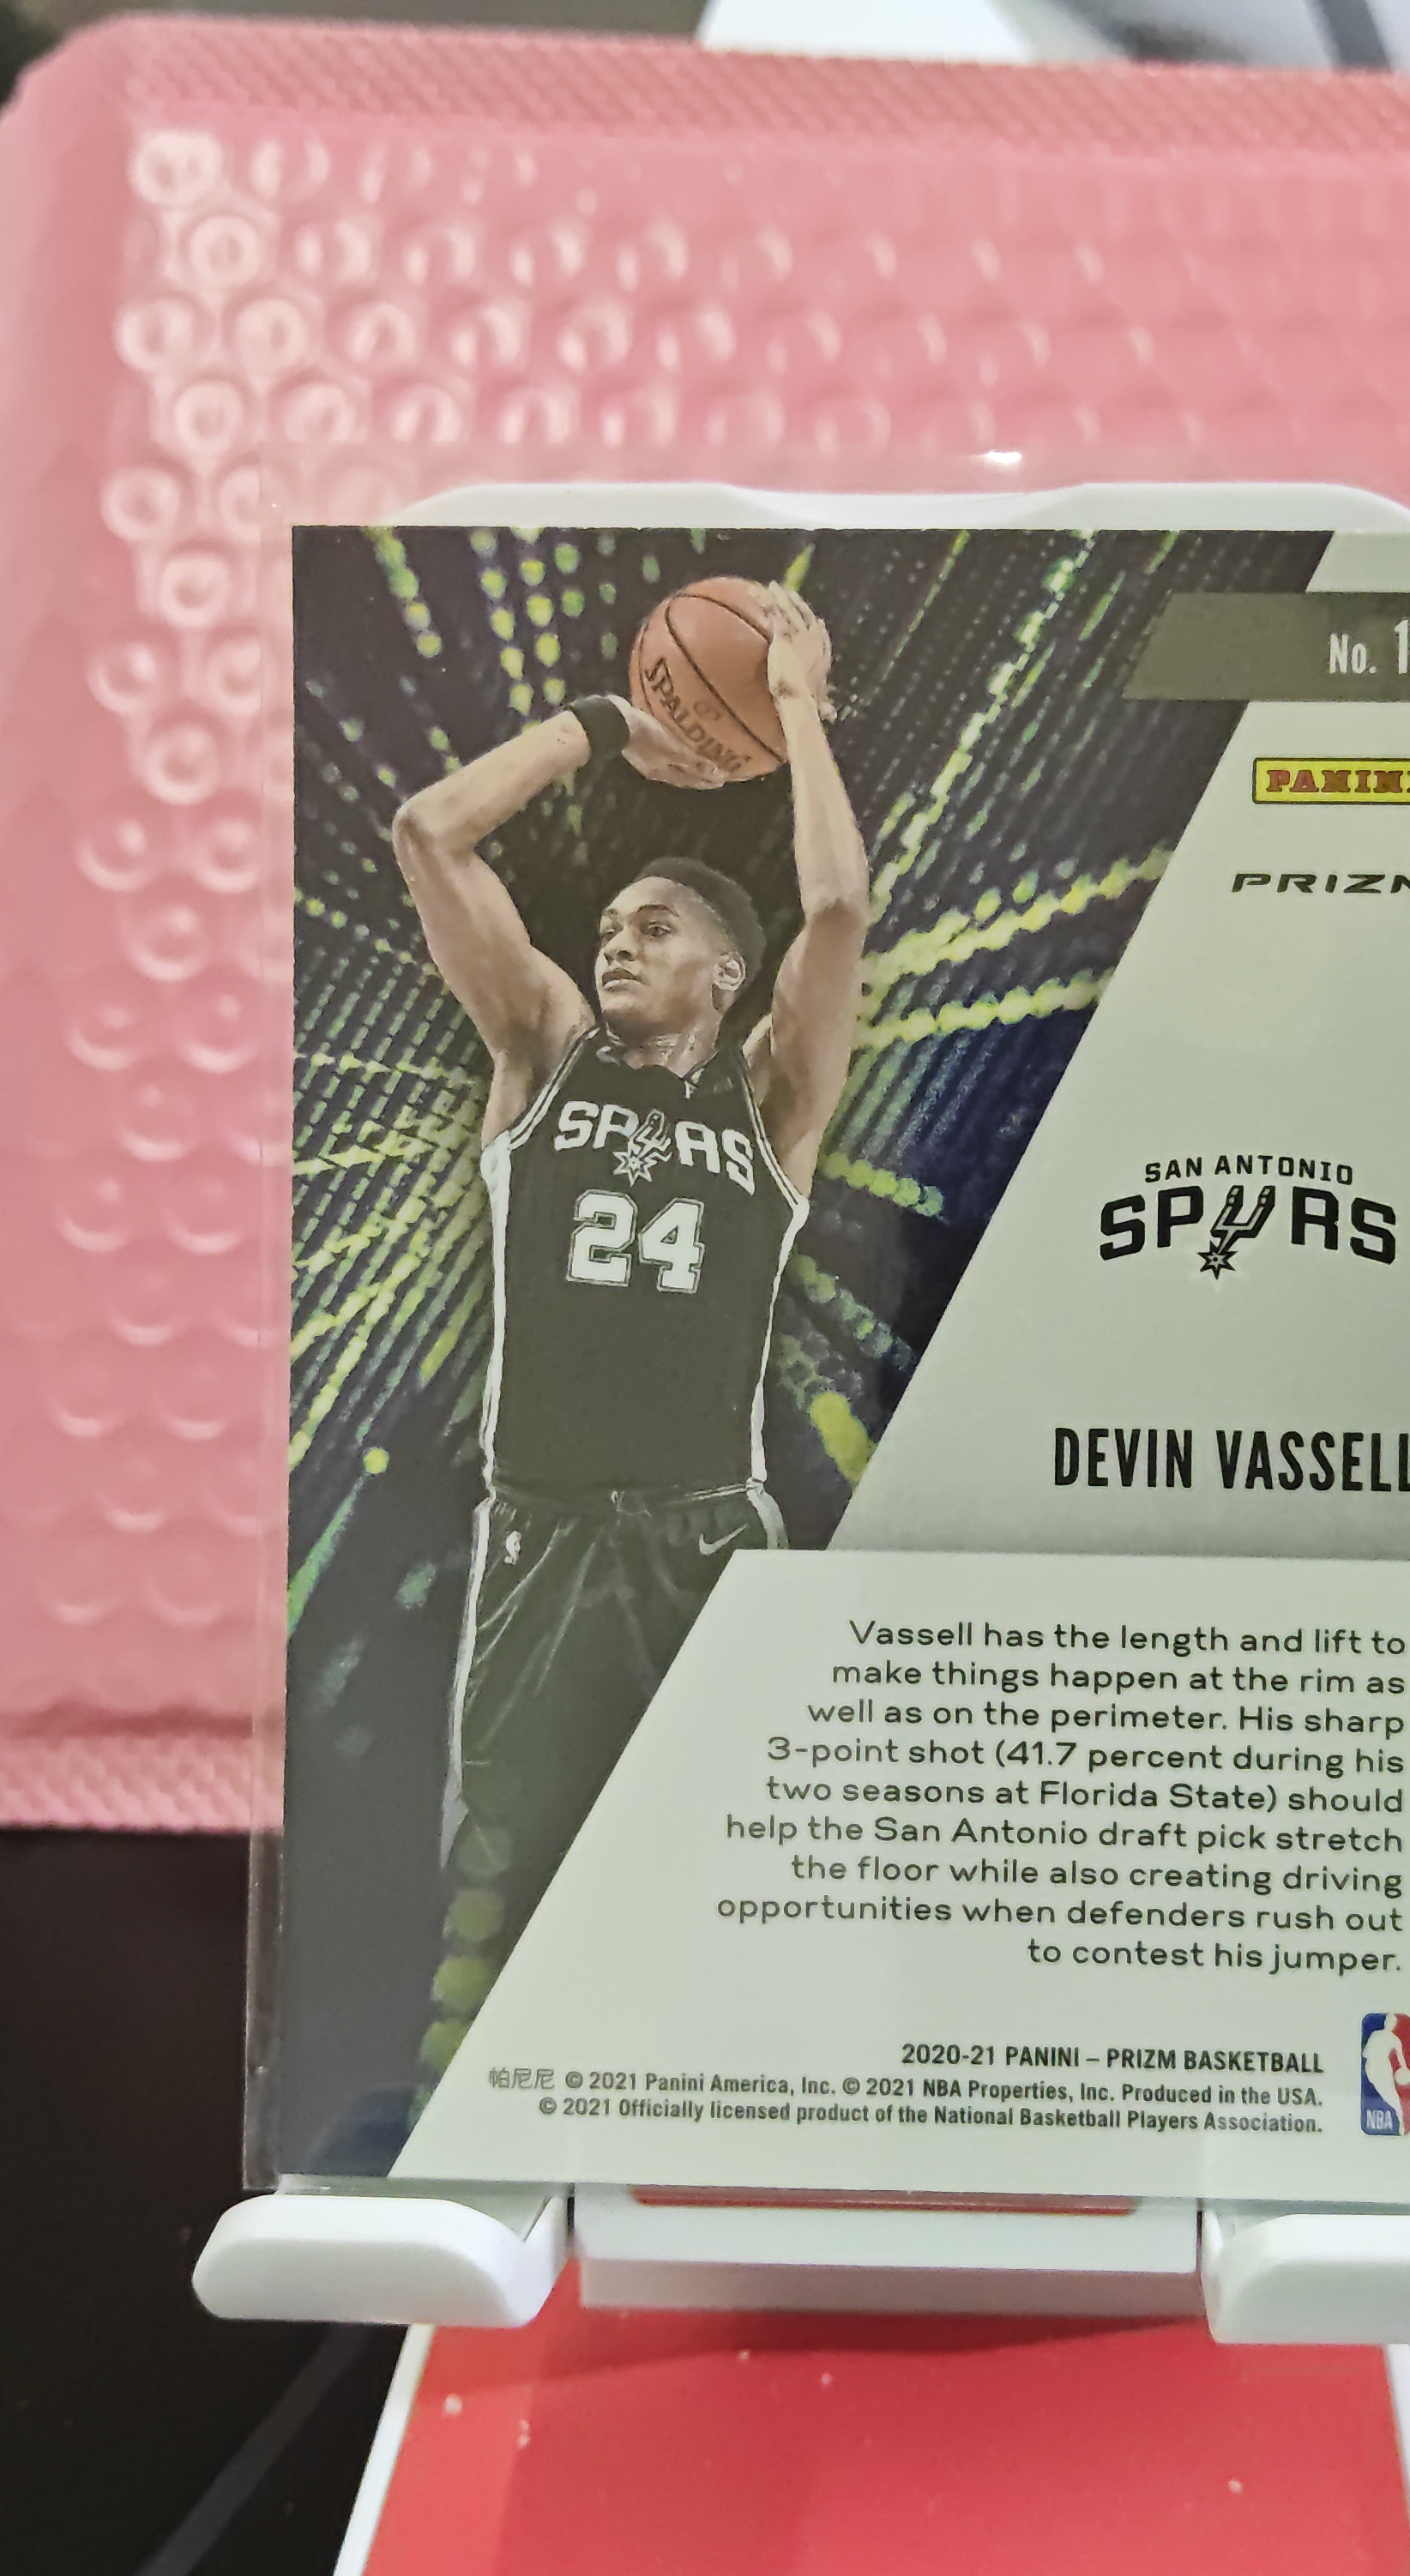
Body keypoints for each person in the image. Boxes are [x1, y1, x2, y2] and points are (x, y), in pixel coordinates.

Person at [389, 584, 869, 2084]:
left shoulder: (771, 1099)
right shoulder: (542, 1050)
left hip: (704, 1532)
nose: (614, 943)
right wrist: (603, 725)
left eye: (653, 928)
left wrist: (792, 710)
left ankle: (726, 2109)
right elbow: (429, 833)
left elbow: (837, 910)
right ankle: (487, 2129)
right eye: (607, 926)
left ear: (726, 973)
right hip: (541, 1528)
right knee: (501, 1889)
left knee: (723, 1864)